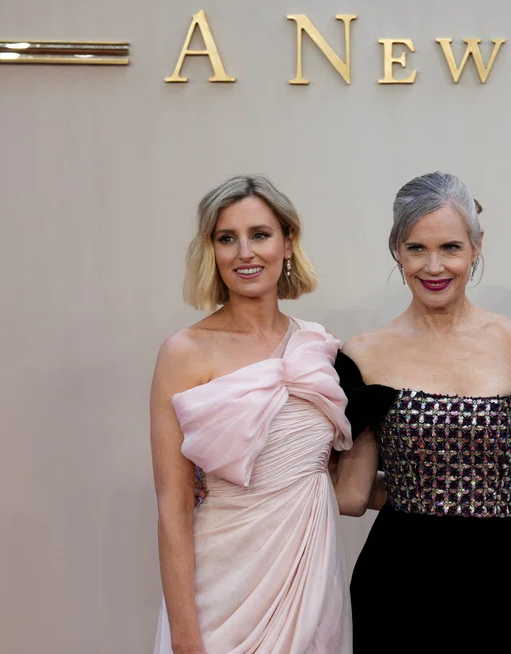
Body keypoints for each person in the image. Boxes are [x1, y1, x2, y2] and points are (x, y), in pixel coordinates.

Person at [331, 171, 511, 654]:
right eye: (416, 249)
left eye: (450, 247)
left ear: (477, 245)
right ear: (396, 249)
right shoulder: (363, 355)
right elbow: (351, 494)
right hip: (400, 584)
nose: (434, 266)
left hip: (506, 582)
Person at [149, 175, 352, 654]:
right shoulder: (183, 353)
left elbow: (331, 470)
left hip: (308, 577)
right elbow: (173, 505)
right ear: (211, 251)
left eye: (259, 234)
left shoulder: (318, 346)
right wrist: (185, 638)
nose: (245, 252)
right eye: (227, 238)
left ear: (287, 243)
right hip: (222, 584)